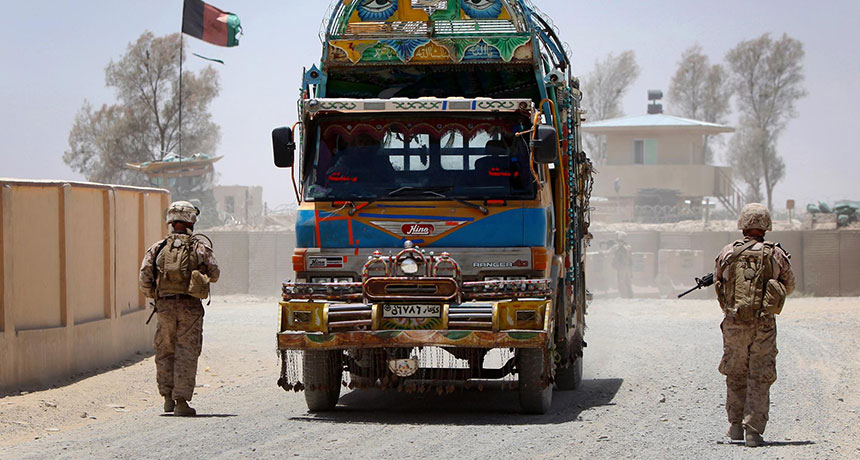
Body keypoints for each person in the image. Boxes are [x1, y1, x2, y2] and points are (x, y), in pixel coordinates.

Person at [713, 203, 795, 447]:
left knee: (735, 372)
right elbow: (790, 286)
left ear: (743, 224)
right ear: (766, 225)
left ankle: (735, 426)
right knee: (759, 376)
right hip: (763, 325)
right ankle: (753, 432)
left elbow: (718, 281)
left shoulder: (728, 252)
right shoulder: (775, 254)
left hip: (734, 323)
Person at [139, 201, 220, 416]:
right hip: (190, 308)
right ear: (191, 221)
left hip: (164, 307)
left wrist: (157, 296)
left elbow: (144, 278)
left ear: (171, 221)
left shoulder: (158, 248)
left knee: (165, 350)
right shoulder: (199, 247)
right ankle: (181, 402)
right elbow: (215, 274)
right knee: (186, 352)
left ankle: (167, 398)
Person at [610, 231, 634, 298]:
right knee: (625, 281)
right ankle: (627, 295)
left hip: (623, 267)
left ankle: (625, 295)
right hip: (623, 267)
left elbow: (628, 258)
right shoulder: (624, 247)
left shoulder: (624, 248)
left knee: (623, 281)